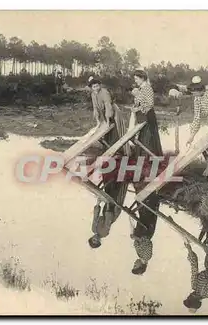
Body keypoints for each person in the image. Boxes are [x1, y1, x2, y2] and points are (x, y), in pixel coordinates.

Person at [87, 76, 130, 250]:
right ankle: (113, 157)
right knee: (114, 188)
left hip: (113, 114)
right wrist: (99, 121)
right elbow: (97, 109)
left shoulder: (104, 92)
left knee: (114, 134)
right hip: (112, 208)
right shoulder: (102, 231)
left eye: (97, 85)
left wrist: (108, 120)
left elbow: (107, 107)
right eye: (93, 86)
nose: (95, 88)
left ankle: (119, 151)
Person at [128, 69, 164, 275]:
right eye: (135, 266)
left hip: (146, 116)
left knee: (147, 138)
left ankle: (148, 156)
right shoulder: (145, 255)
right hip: (145, 224)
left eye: (136, 78)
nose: (135, 80)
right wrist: (137, 235)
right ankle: (146, 156)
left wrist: (136, 236)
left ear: (141, 78)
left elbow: (149, 105)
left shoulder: (147, 88)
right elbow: (145, 235)